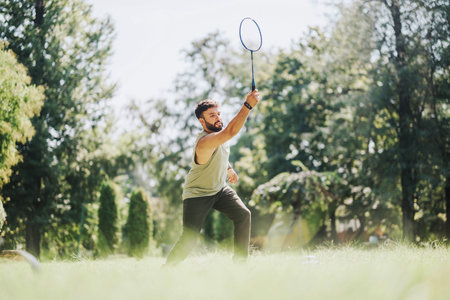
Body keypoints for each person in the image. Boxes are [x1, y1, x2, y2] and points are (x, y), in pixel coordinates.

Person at [165, 89, 260, 265]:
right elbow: (230, 132)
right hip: (198, 193)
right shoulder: (204, 142)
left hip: (219, 189)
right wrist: (247, 106)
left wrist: (229, 168)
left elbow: (221, 152)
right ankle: (167, 269)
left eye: (218, 113)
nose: (218, 118)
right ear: (202, 121)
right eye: (212, 115)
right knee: (190, 238)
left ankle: (240, 264)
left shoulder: (219, 138)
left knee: (243, 215)